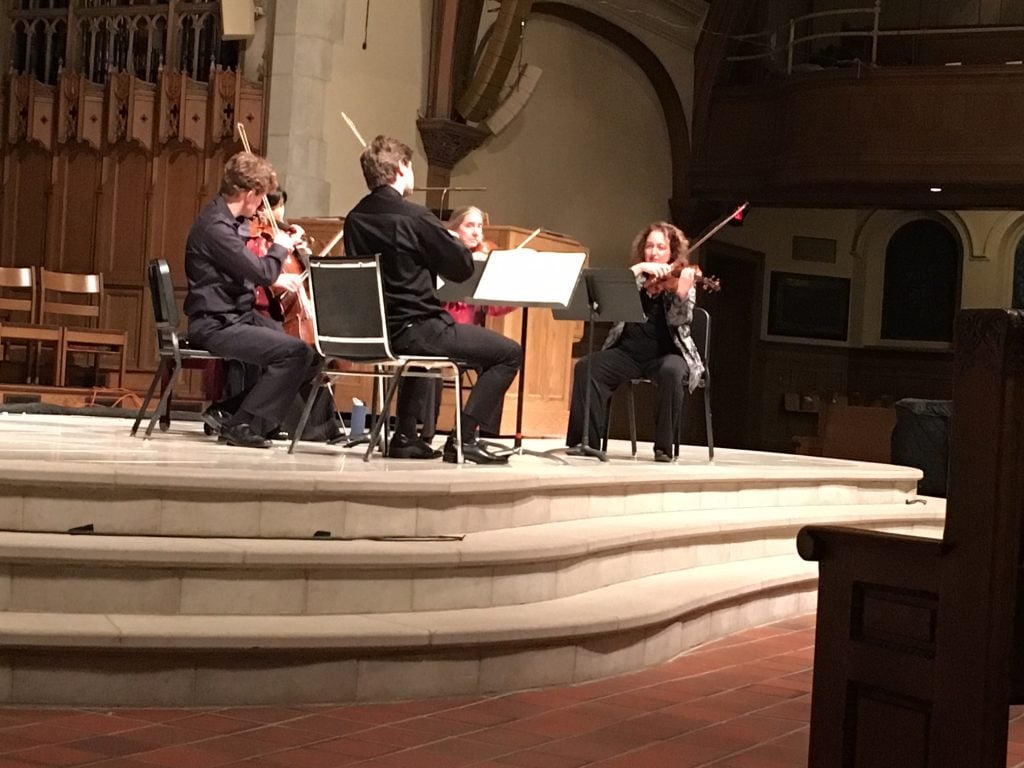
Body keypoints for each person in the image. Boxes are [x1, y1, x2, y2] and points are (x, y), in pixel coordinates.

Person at [343, 135, 523, 464]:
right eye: (411, 167)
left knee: (422, 347)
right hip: (416, 330)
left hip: (375, 332)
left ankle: (405, 436)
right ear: (401, 168)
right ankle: (463, 440)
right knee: (508, 354)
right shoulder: (415, 217)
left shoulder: (355, 218)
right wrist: (447, 241)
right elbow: (461, 268)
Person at [184, 152, 320, 449]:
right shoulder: (216, 229)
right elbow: (262, 272)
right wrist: (281, 246)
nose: (262, 207)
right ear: (249, 195)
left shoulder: (228, 223)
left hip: (237, 317)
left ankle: (230, 411)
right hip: (216, 324)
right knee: (293, 354)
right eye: (260, 198)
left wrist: (284, 243)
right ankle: (242, 422)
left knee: (313, 354)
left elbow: (251, 267)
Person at [565, 221, 705, 462]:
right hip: (627, 353)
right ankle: (585, 441)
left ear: (671, 252)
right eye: (650, 246)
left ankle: (663, 447)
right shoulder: (634, 277)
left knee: (672, 372)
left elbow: (679, 320)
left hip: (666, 354)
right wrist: (639, 268)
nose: (654, 252)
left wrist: (681, 295)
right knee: (587, 367)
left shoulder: (682, 278)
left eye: (661, 247)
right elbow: (610, 305)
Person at [420, 205, 514, 441]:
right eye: (469, 226)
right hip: (443, 334)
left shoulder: (484, 260)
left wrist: (513, 294)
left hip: (472, 339)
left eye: (480, 226)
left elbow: (494, 308)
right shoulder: (442, 260)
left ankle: (472, 432)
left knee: (500, 361)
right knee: (429, 366)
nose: (477, 233)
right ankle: (426, 433)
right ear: (453, 230)